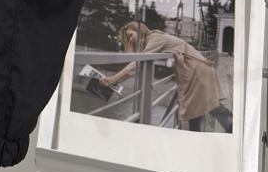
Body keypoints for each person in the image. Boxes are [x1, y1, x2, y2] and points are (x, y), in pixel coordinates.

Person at [98, 19, 232, 132]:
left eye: (131, 35)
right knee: (203, 108)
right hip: (198, 69)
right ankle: (227, 130)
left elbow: (137, 64)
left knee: (203, 109)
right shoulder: (156, 37)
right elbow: (138, 65)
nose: (130, 39)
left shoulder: (155, 39)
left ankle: (232, 129)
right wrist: (115, 80)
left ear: (140, 31)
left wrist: (112, 79)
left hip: (197, 71)